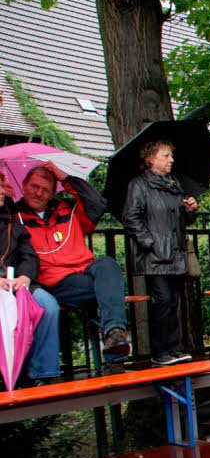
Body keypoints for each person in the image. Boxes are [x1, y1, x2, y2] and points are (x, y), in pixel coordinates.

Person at [15, 163, 130, 361]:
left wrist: (64, 177)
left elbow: (98, 204)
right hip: (56, 281)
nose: (38, 193)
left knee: (108, 264)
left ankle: (114, 334)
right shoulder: (15, 216)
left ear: (53, 193)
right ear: (24, 185)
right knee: (110, 287)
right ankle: (115, 356)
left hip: (84, 269)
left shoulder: (67, 209)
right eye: (34, 186)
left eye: (45, 189)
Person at [122, 140, 197, 365]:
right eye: (166, 156)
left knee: (173, 301)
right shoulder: (139, 185)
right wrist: (150, 242)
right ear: (151, 159)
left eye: (171, 155)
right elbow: (130, 217)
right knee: (162, 300)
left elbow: (183, 219)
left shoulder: (173, 184)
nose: (171, 160)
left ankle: (174, 348)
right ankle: (159, 351)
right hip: (155, 255)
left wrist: (191, 209)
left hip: (174, 252)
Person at [0, 172, 59, 384]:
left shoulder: (10, 220)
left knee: (48, 305)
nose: (1, 190)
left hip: (16, 283)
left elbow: (29, 254)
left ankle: (44, 373)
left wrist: (24, 277)